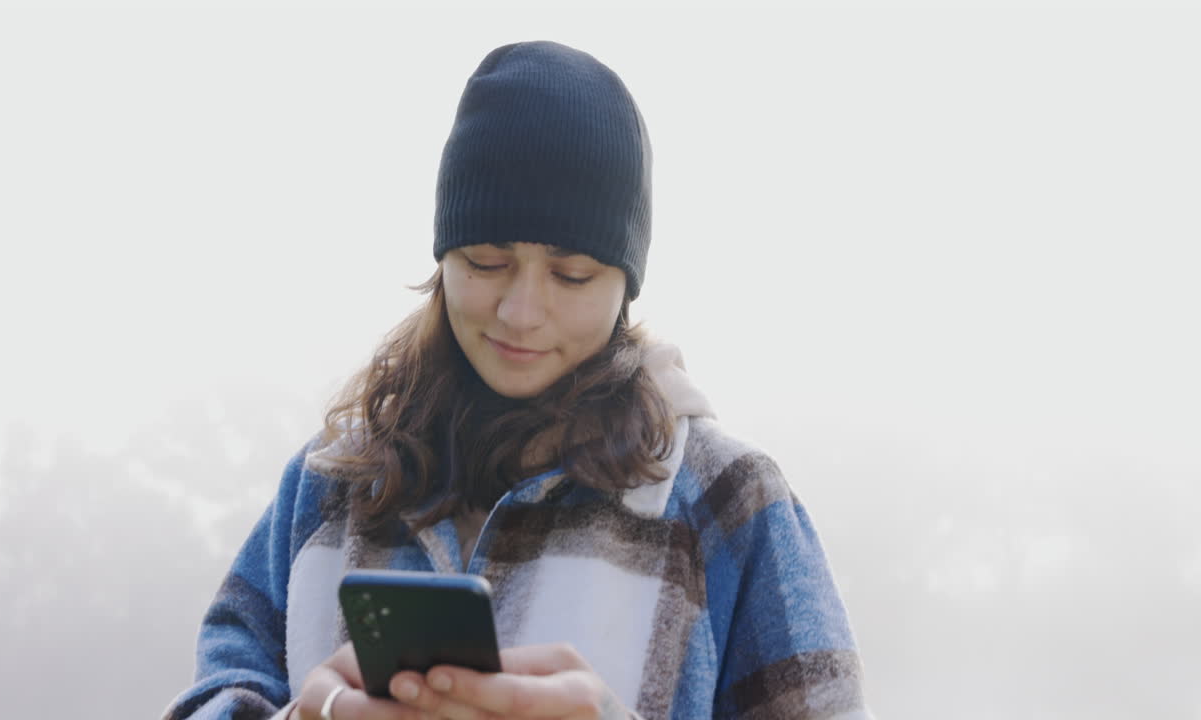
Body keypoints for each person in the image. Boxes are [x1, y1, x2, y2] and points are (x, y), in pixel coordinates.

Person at [161, 40, 872, 720]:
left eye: (572, 274)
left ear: (626, 285)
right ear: (442, 262)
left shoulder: (725, 501)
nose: (521, 312)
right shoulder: (328, 482)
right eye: (485, 260)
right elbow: (211, 695)